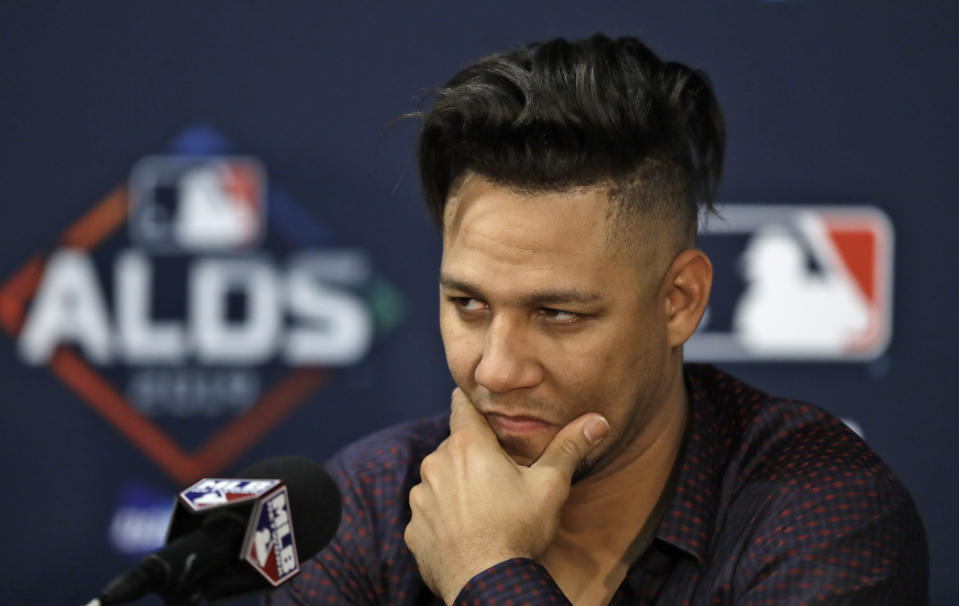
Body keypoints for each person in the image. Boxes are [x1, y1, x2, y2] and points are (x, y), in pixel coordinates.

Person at [267, 33, 927, 605]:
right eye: (467, 304)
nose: (495, 368)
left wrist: (485, 570)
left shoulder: (820, 510)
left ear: (679, 301)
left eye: (556, 314)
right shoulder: (371, 502)